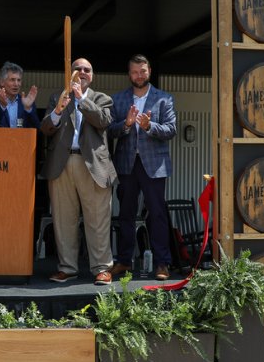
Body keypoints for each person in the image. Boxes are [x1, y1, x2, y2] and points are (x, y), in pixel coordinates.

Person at [39, 58, 117, 285]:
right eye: (77, 68)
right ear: (69, 73)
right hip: (62, 164)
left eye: (87, 69)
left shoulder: (102, 98)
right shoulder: (58, 97)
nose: (82, 72)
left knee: (98, 220)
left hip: (92, 165)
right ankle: (67, 267)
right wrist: (57, 110)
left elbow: (103, 121)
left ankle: (102, 268)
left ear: (92, 75)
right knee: (64, 220)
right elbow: (45, 128)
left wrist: (81, 98)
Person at [108, 54, 177, 280]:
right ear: (129, 75)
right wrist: (126, 124)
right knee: (125, 214)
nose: (139, 75)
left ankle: (162, 263)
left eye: (143, 71)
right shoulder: (118, 100)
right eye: (135, 72)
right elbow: (110, 130)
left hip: (154, 165)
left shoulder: (163, 98)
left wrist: (150, 126)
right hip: (127, 164)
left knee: (156, 214)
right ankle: (125, 261)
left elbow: (171, 130)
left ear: (149, 71)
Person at [0, 61, 40, 128]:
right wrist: (2, 106)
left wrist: (28, 109)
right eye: (12, 80)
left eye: (19, 80)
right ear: (2, 82)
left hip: (21, 138)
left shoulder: (27, 103)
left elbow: (37, 130)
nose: (16, 84)